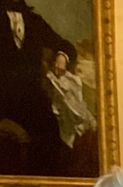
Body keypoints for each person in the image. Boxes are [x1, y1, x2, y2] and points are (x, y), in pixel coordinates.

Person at [0, 0, 79, 175]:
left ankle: (42, 184)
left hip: (30, 96)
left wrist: (62, 56)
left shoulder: (34, 20)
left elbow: (64, 45)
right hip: (2, 95)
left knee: (49, 131)